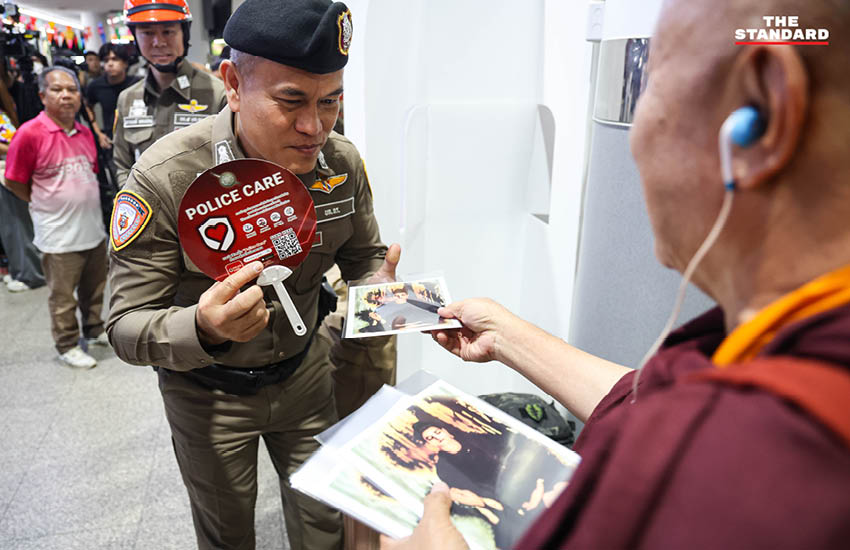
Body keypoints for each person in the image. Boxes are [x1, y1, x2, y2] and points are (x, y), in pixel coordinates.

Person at [384, 0, 850, 549]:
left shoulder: (729, 468)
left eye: (652, 83)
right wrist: (507, 336)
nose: (632, 137)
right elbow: (643, 397)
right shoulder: (794, 351)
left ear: (761, 116)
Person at [106, 1, 397, 548]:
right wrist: (204, 327)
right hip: (208, 397)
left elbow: (363, 259)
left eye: (331, 101)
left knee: (326, 528)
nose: (314, 127)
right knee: (227, 533)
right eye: (291, 102)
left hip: (309, 377)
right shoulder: (166, 178)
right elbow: (123, 325)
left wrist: (378, 285)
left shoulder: (339, 164)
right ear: (234, 84)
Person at [3, 67, 108, 369]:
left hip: (92, 229)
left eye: (72, 90)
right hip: (58, 235)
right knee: (63, 298)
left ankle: (94, 329)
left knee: (95, 289)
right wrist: (42, 202)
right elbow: (14, 181)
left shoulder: (86, 131)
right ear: (42, 95)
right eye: (57, 90)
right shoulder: (29, 134)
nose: (66, 95)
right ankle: (67, 344)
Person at [112, 0, 226, 188]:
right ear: (135, 37)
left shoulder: (217, 93)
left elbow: (232, 162)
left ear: (184, 34)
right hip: (144, 211)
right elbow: (122, 164)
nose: (159, 42)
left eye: (168, 31)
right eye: (147, 33)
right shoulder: (128, 98)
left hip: (202, 211)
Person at [86, 43, 141, 151]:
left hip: (137, 136)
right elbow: (88, 107)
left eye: (115, 59)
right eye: (106, 60)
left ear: (125, 63)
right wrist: (99, 133)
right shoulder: (96, 86)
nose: (110, 64)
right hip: (112, 139)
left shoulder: (137, 84)